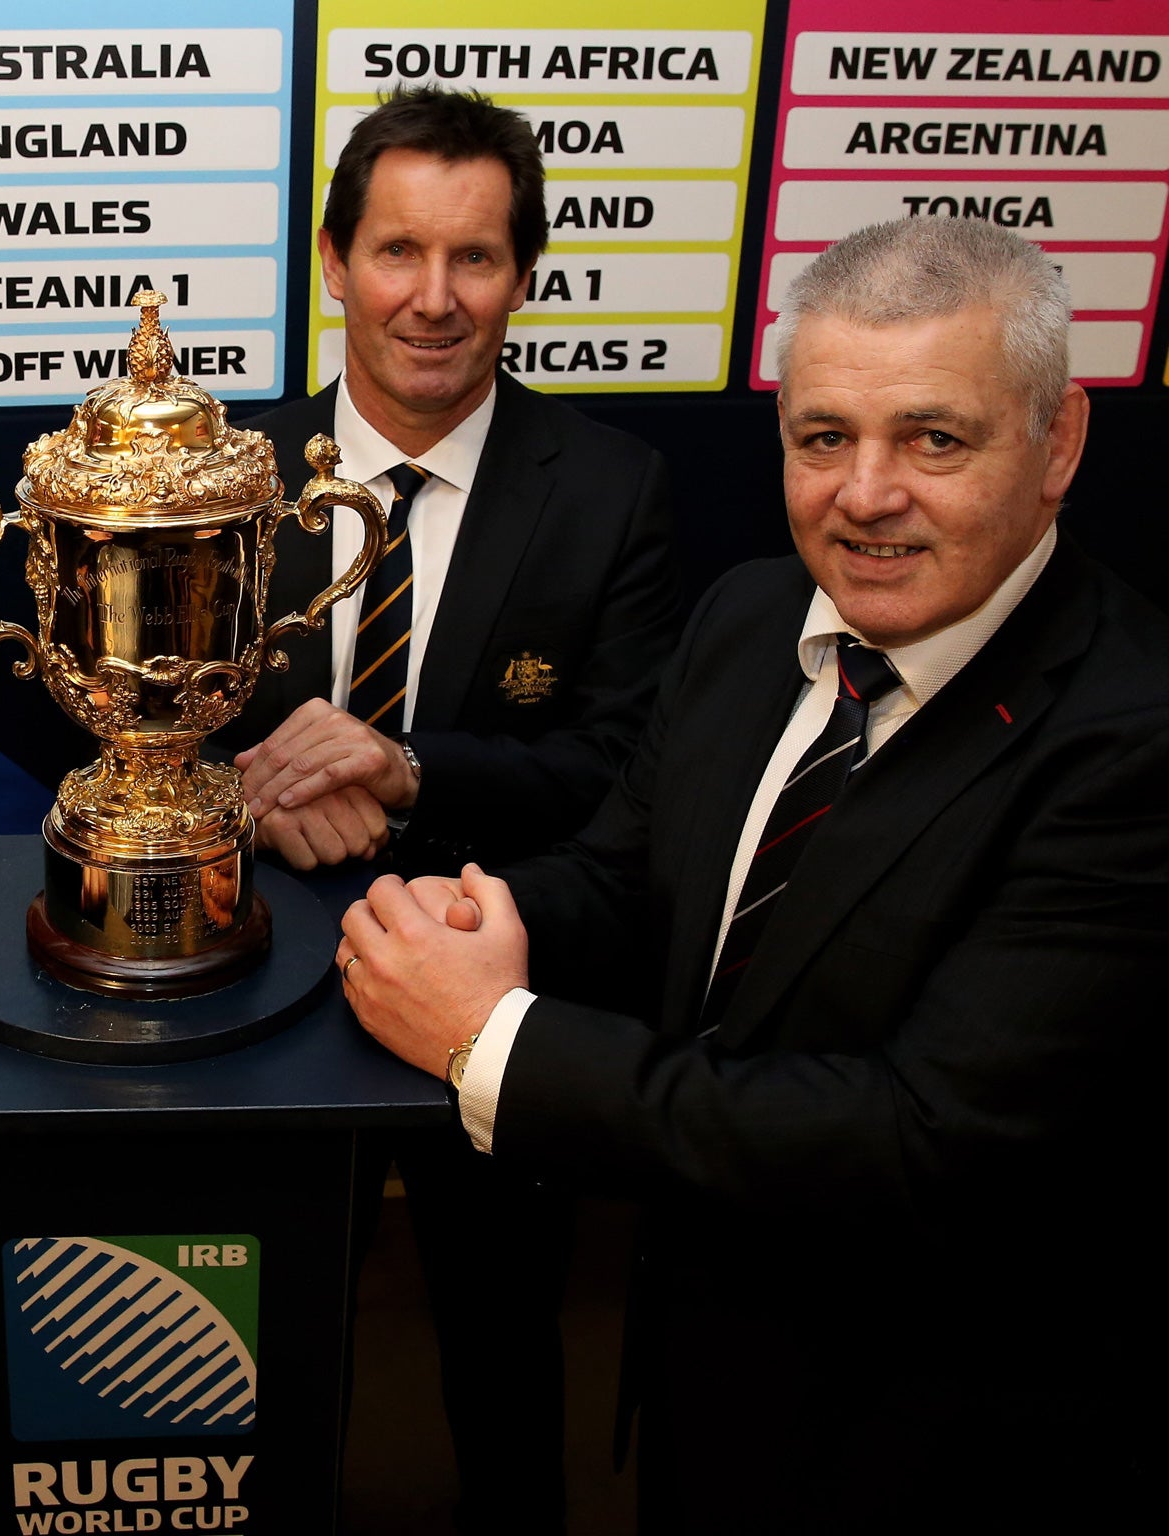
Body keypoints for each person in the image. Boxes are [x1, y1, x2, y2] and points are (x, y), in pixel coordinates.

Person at [339, 216, 1163, 1533]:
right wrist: (458, 926)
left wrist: (495, 1041)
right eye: (824, 437)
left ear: (1056, 445)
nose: (865, 494)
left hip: (954, 1446)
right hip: (701, 1375)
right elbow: (630, 881)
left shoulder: (1135, 740)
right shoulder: (748, 618)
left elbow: (916, 1141)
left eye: (933, 440)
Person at [228, 89, 680, 1533]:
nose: (433, 299)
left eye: (475, 259)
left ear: (524, 278)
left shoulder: (615, 493)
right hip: (266, 978)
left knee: (503, 1344)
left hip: (500, 975)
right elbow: (167, 727)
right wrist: (247, 799)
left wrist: (406, 771)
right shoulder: (229, 482)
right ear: (332, 261)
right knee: (258, 1338)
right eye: (399, 251)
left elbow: (631, 772)